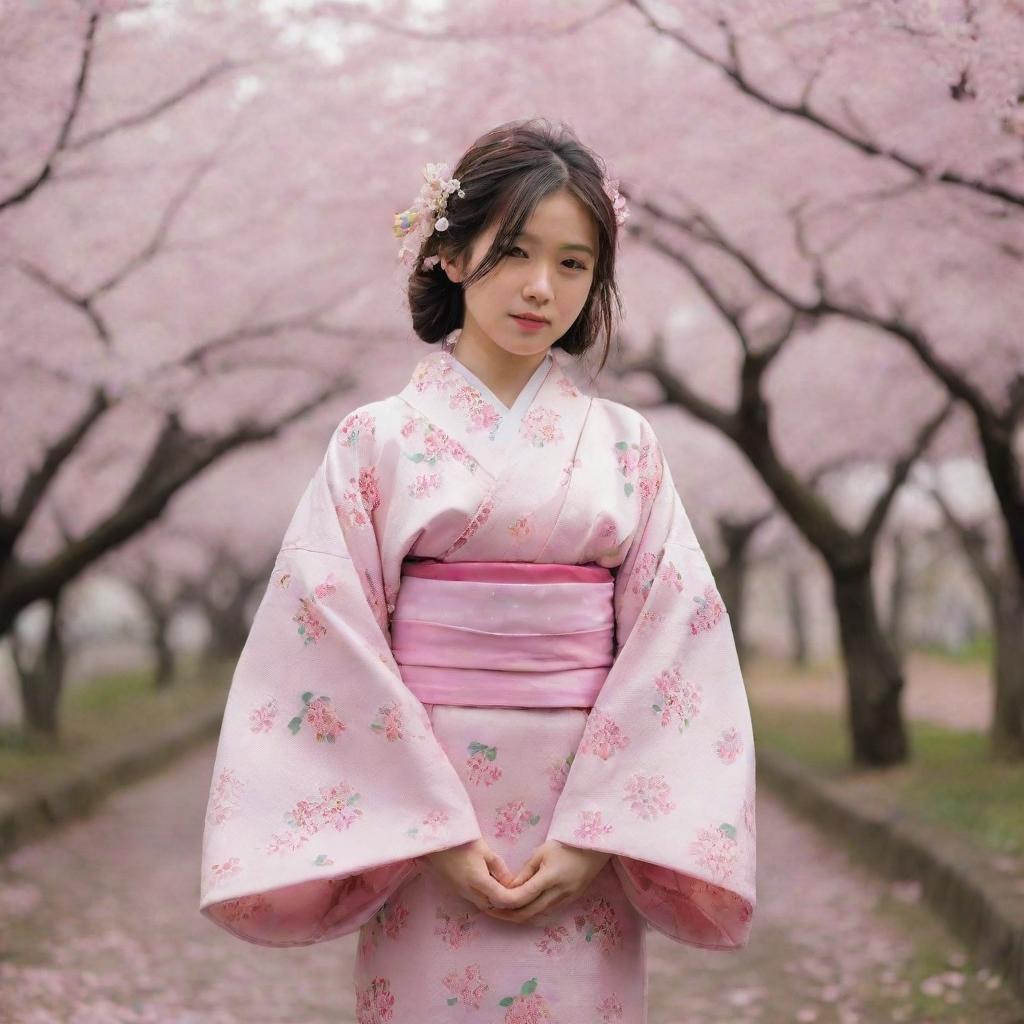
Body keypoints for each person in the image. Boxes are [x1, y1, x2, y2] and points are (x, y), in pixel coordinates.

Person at [199, 117, 756, 1024]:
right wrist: (435, 832)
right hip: (426, 808)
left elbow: (675, 642)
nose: (542, 288)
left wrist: (593, 834)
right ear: (452, 256)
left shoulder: (626, 445)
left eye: (575, 265)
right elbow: (325, 633)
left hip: (585, 809)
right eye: (516, 252)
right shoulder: (374, 442)